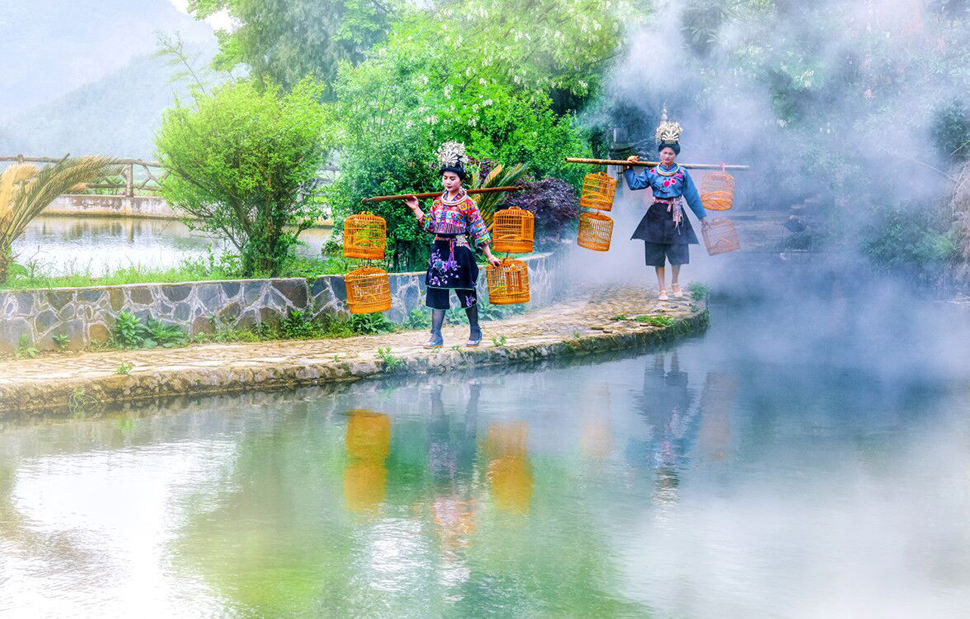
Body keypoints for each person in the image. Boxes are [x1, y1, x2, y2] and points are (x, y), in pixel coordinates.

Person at [405, 142, 502, 348]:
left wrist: (489, 255)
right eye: (445, 178)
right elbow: (429, 226)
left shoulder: (468, 204)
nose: (448, 182)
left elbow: (479, 229)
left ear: (460, 180)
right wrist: (416, 209)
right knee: (437, 291)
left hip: (460, 250)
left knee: (466, 291)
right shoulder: (437, 203)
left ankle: (475, 330)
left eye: (452, 178)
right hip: (439, 251)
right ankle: (436, 335)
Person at [623, 117, 709, 301]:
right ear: (660, 153)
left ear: (676, 155)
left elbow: (692, 196)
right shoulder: (651, 172)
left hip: (676, 215)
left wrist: (702, 217)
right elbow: (635, 184)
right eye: (664, 153)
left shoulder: (682, 173)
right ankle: (662, 289)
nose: (667, 156)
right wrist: (628, 167)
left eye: (670, 153)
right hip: (656, 215)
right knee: (656, 252)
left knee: (677, 251)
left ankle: (675, 282)